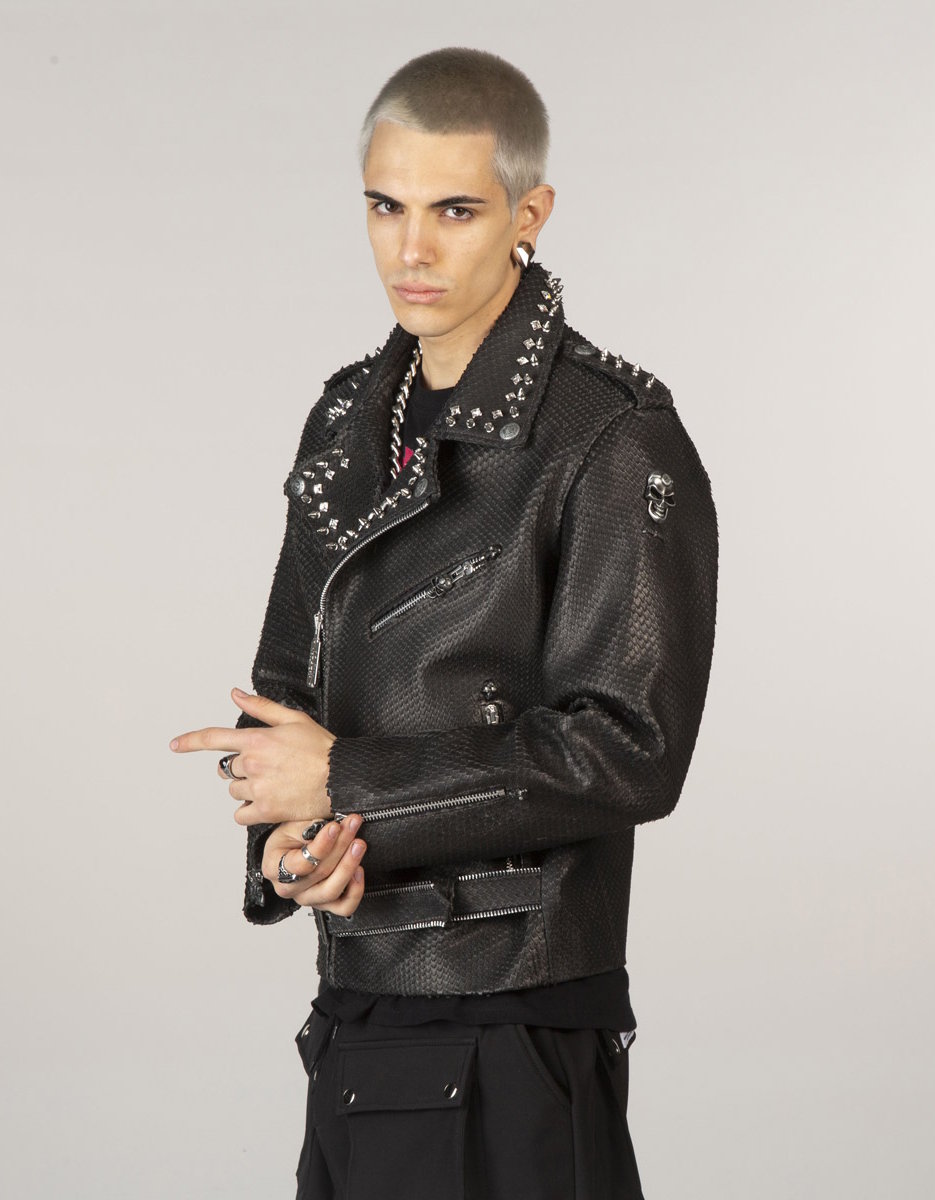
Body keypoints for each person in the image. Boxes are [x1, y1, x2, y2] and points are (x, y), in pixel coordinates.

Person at [171, 46, 718, 1200]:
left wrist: (348, 782)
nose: (409, 249)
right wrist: (291, 849)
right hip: (355, 1013)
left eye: (453, 211)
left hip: (510, 1015)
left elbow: (628, 749)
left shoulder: (610, 439)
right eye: (385, 206)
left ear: (529, 214)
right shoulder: (344, 421)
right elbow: (289, 701)